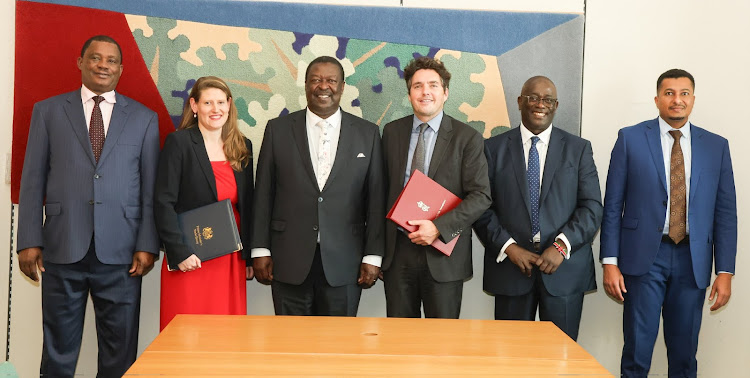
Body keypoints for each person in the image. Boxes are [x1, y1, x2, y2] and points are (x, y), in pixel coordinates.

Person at [16, 35, 160, 376]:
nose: (103, 65)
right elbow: (33, 179)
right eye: (95, 58)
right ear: (80, 62)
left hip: (122, 253)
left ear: (121, 69)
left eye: (111, 60)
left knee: (119, 354)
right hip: (62, 247)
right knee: (58, 352)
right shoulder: (48, 111)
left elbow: (151, 188)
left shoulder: (143, 118)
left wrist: (147, 243)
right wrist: (28, 240)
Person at [600, 69, 736, 377]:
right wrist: (610, 261)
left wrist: (725, 271)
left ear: (693, 99)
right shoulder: (630, 138)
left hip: (693, 259)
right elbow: (612, 205)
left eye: (684, 93)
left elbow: (726, 213)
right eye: (670, 93)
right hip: (644, 258)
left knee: (684, 354)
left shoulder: (716, 146)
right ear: (658, 99)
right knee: (637, 350)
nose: (677, 100)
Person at [251, 56, 385, 316]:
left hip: (345, 262)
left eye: (331, 80)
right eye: (316, 80)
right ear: (305, 85)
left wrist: (373, 256)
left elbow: (376, 200)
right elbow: (264, 193)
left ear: (342, 87)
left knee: (337, 347)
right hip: (288, 259)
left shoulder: (367, 133)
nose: (324, 86)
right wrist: (260, 248)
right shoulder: (277, 130)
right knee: (291, 344)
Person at [473, 76, 602, 340]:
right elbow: (481, 207)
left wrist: (561, 246)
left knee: (560, 360)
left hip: (564, 272)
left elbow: (591, 207)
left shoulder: (578, 149)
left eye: (547, 100)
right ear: (520, 101)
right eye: (533, 97)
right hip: (511, 270)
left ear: (555, 106)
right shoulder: (492, 149)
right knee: (512, 360)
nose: (540, 104)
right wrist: (509, 247)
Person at [381, 56, 491, 319]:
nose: (425, 92)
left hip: (444, 254)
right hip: (398, 253)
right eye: (417, 86)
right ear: (409, 94)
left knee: (442, 345)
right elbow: (380, 190)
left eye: (432, 85)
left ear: (445, 93)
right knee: (399, 340)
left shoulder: (468, 138)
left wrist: (439, 228)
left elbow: (481, 196)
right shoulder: (391, 132)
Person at [155, 76, 254, 330]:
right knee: (187, 334)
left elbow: (249, 206)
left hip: (230, 259)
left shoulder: (243, 147)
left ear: (229, 105)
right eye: (208, 102)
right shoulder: (179, 143)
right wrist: (180, 252)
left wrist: (249, 258)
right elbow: (163, 202)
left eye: (221, 102)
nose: (215, 109)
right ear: (194, 105)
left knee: (225, 334)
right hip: (191, 258)